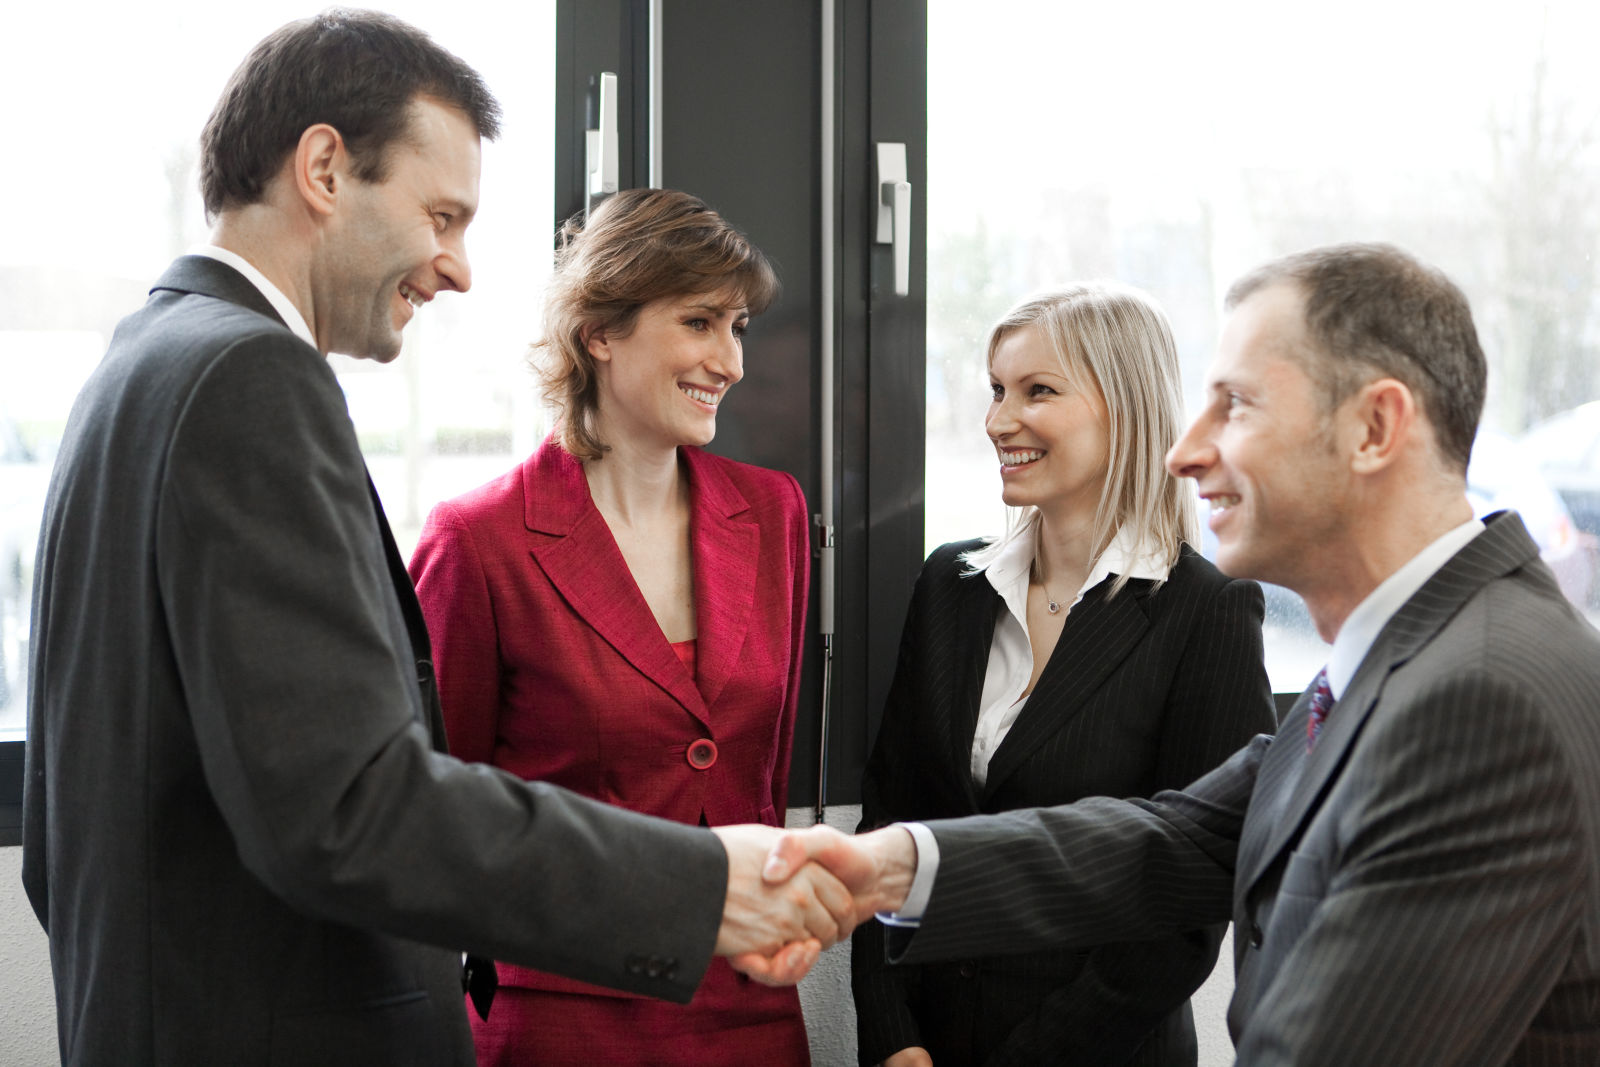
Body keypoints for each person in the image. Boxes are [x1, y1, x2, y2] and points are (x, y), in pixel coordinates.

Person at [20, 13, 844, 1066]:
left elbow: (63, 836)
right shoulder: (250, 378)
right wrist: (702, 882)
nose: (456, 268)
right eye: (441, 214)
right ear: (324, 167)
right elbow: (352, 805)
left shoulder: (142, 360)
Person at [774, 243, 1600, 1065]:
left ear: (1374, 428)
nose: (1183, 450)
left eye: (1235, 406)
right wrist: (891, 865)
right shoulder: (1406, 661)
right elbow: (1174, 841)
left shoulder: (1482, 698)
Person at [407, 187, 812, 1065]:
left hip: (751, 1004)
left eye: (738, 327)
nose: (731, 360)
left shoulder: (774, 512)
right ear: (599, 330)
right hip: (565, 1017)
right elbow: (439, 821)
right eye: (700, 321)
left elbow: (761, 776)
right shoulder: (477, 540)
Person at [853, 284, 1274, 1067]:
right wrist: (891, 1034)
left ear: (1125, 407)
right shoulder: (951, 586)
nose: (997, 420)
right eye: (996, 390)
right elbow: (888, 825)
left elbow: (1186, 905)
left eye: (1037, 391)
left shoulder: (1205, 611)